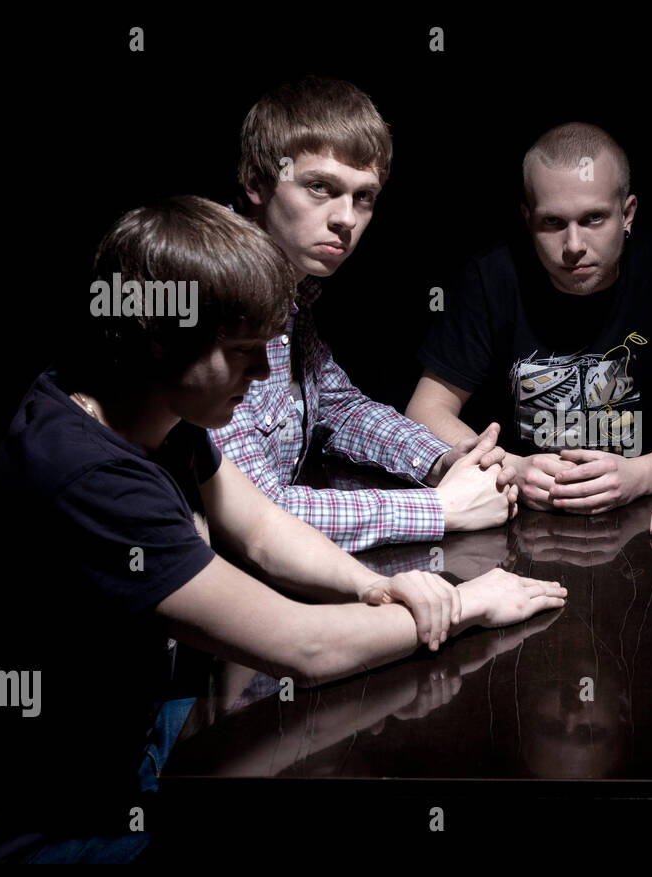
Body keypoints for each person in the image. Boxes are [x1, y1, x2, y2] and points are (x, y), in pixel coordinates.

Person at [0, 197, 566, 863]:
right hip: (38, 833)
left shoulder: (148, 402)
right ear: (159, 338)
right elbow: (302, 646)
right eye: (243, 352)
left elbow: (260, 530)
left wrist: (382, 589)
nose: (261, 373)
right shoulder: (90, 478)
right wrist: (470, 603)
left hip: (130, 747)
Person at [209, 76, 517, 553]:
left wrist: (442, 460)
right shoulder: (214, 293)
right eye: (319, 188)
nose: (346, 219)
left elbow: (338, 407)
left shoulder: (293, 291)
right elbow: (258, 513)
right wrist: (442, 509)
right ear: (255, 182)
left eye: (364, 196)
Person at [406, 121, 652, 516]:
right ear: (527, 218)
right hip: (518, 513)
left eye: (593, 219)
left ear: (628, 213)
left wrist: (646, 473)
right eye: (552, 223)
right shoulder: (492, 277)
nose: (573, 247)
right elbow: (425, 410)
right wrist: (508, 467)